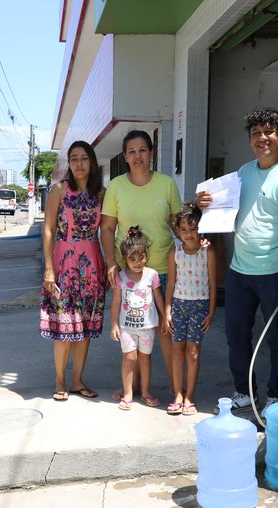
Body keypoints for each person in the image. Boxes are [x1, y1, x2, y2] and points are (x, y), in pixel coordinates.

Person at [196, 107, 278, 416]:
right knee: (235, 335)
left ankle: (276, 394)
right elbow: (220, 210)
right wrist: (202, 206)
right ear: (250, 140)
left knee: (277, 337)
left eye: (269, 132)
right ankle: (244, 392)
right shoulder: (243, 173)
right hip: (239, 271)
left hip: (276, 271)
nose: (263, 138)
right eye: (256, 133)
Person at [100, 130, 182, 400]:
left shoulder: (167, 184)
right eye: (132, 151)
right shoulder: (116, 187)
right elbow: (108, 227)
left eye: (143, 150)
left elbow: (177, 224)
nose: (138, 156)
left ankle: (176, 390)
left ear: (151, 153)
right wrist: (112, 263)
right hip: (130, 274)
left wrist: (197, 240)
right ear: (125, 156)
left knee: (165, 331)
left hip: (162, 271)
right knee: (132, 333)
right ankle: (132, 389)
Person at [40, 140, 106, 401]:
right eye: (74, 159)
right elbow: (48, 229)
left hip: (92, 264)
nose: (79, 163)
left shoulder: (101, 193)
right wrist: (48, 268)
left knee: (85, 327)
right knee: (64, 325)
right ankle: (59, 381)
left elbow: (110, 229)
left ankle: (78, 380)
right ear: (69, 164)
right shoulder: (59, 190)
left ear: (92, 162)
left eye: (84, 158)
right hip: (63, 263)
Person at [163, 203, 217, 416]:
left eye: (193, 229)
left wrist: (211, 312)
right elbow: (170, 283)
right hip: (178, 305)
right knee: (177, 351)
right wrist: (167, 310)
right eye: (183, 230)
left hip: (199, 306)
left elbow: (213, 284)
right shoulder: (175, 252)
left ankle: (189, 396)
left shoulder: (208, 252)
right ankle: (177, 394)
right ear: (178, 230)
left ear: (201, 228)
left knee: (192, 353)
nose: (189, 234)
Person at [110, 227, 164, 411]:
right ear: (124, 259)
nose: (138, 262)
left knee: (145, 359)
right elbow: (116, 301)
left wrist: (165, 317)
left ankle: (146, 392)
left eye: (141, 257)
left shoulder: (152, 275)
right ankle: (128, 393)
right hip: (127, 328)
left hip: (148, 327)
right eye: (132, 259)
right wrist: (114, 324)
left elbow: (158, 298)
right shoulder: (121, 277)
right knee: (129, 358)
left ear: (146, 255)